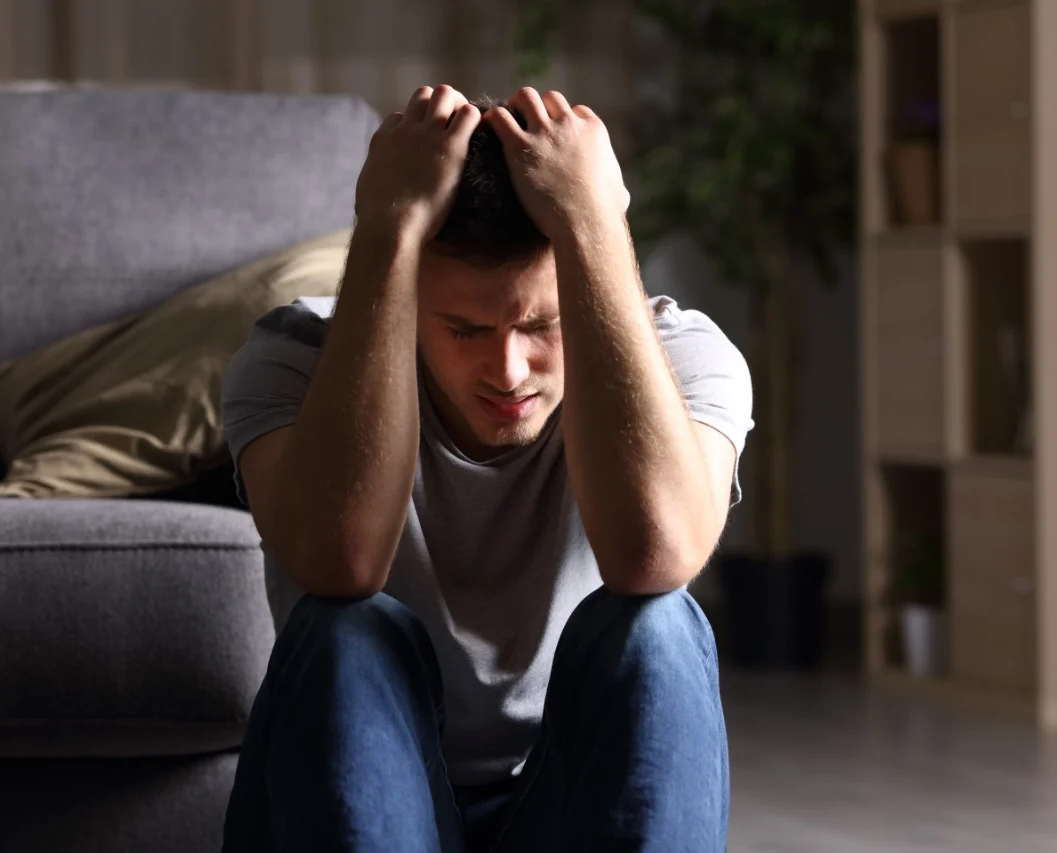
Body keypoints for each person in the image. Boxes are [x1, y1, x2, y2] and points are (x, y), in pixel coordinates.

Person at [219, 84, 753, 853]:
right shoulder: (297, 360)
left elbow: (655, 552)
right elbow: (340, 561)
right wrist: (388, 226)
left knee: (658, 626)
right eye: (464, 329)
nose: (507, 369)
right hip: (367, 802)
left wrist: (594, 219)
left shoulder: (682, 359)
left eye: (542, 324)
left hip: (561, 808)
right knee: (342, 629)